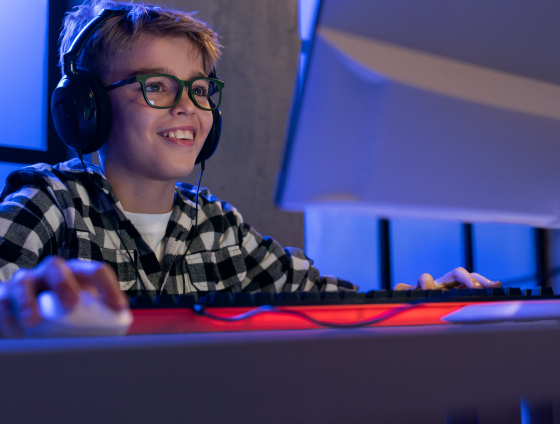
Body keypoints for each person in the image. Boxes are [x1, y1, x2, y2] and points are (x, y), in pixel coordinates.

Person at [0, 0, 500, 337]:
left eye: (199, 90)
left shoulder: (219, 227)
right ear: (87, 110)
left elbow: (331, 303)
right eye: (156, 85)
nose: (187, 107)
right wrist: (19, 297)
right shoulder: (50, 203)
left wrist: (427, 297)